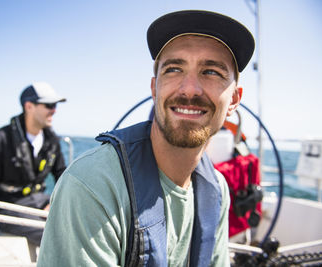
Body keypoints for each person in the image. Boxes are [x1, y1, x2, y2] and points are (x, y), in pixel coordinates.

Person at [38, 10, 255, 266]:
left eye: (211, 72)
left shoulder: (217, 189)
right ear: (154, 89)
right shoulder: (93, 185)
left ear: (234, 100)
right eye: (174, 69)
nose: (189, 89)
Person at [0, 81, 67, 246]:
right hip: (9, 207)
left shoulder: (53, 140)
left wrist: (53, 203)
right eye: (49, 105)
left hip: (41, 201)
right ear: (29, 106)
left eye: (55, 105)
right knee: (56, 236)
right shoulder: (1, 138)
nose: (54, 110)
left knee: (81, 222)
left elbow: (62, 175)